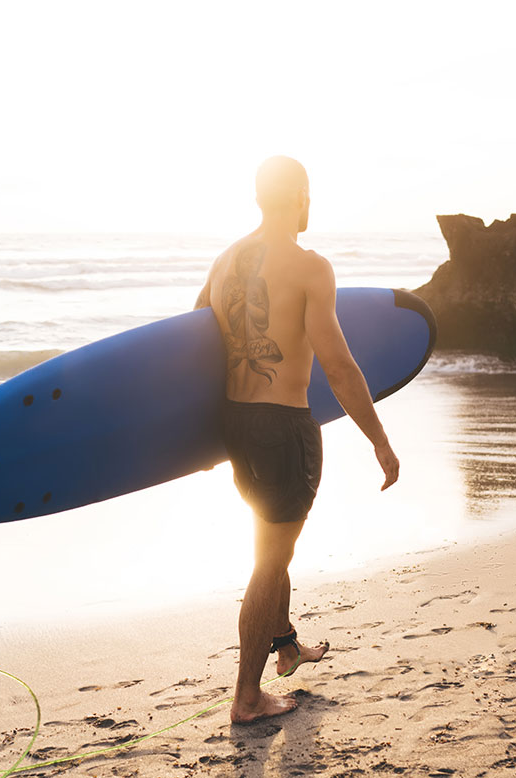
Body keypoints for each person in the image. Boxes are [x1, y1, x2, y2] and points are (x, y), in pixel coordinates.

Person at [194, 156, 400, 724]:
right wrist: (380, 440)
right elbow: (337, 364)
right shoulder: (310, 267)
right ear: (301, 197)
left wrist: (199, 439)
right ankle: (246, 696)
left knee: (270, 541)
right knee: (271, 558)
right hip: (283, 428)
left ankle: (284, 643)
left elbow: (194, 341)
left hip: (236, 424)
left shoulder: (225, 259)